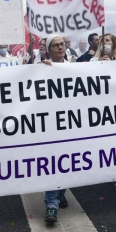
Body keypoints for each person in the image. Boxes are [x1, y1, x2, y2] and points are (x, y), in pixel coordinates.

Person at [39, 35, 70, 222]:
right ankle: (51, 203)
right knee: (54, 162)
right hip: (51, 124)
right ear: (49, 50)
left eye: (62, 44)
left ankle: (61, 192)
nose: (60, 47)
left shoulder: (76, 65)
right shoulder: (42, 68)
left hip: (71, 123)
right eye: (55, 45)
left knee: (68, 161)